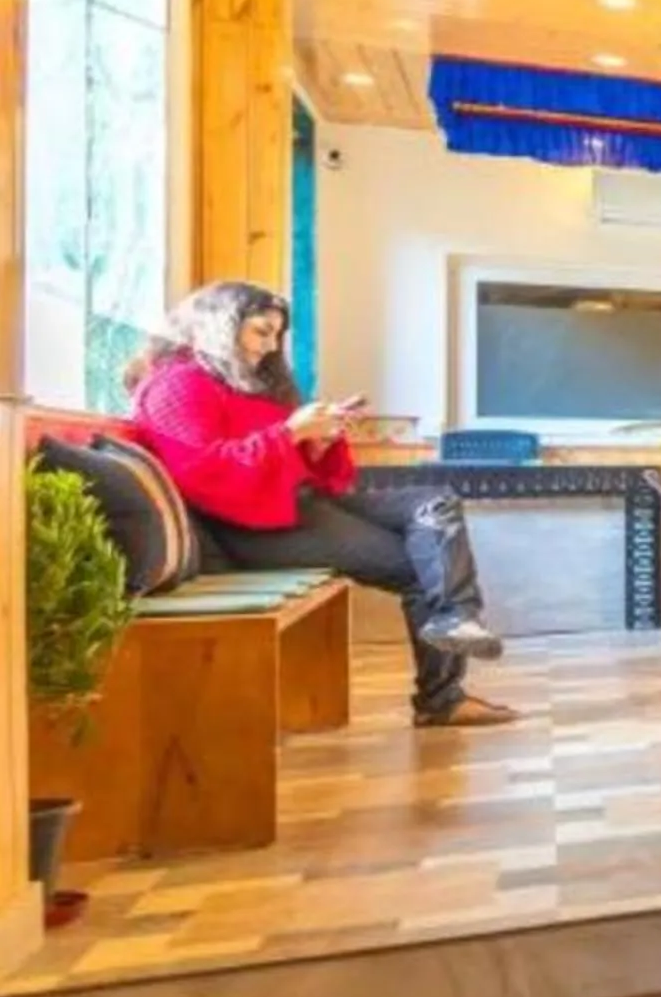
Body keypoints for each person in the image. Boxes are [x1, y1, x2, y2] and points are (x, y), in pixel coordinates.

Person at [126, 281, 513, 729]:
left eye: (275, 335)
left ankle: (457, 618)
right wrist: (291, 432)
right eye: (260, 332)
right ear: (217, 328)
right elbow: (204, 474)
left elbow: (295, 464)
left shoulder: (243, 384)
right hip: (253, 526)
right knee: (418, 568)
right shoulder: (178, 385)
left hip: (297, 503)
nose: (270, 347)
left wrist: (319, 441)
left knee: (433, 501)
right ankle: (442, 698)